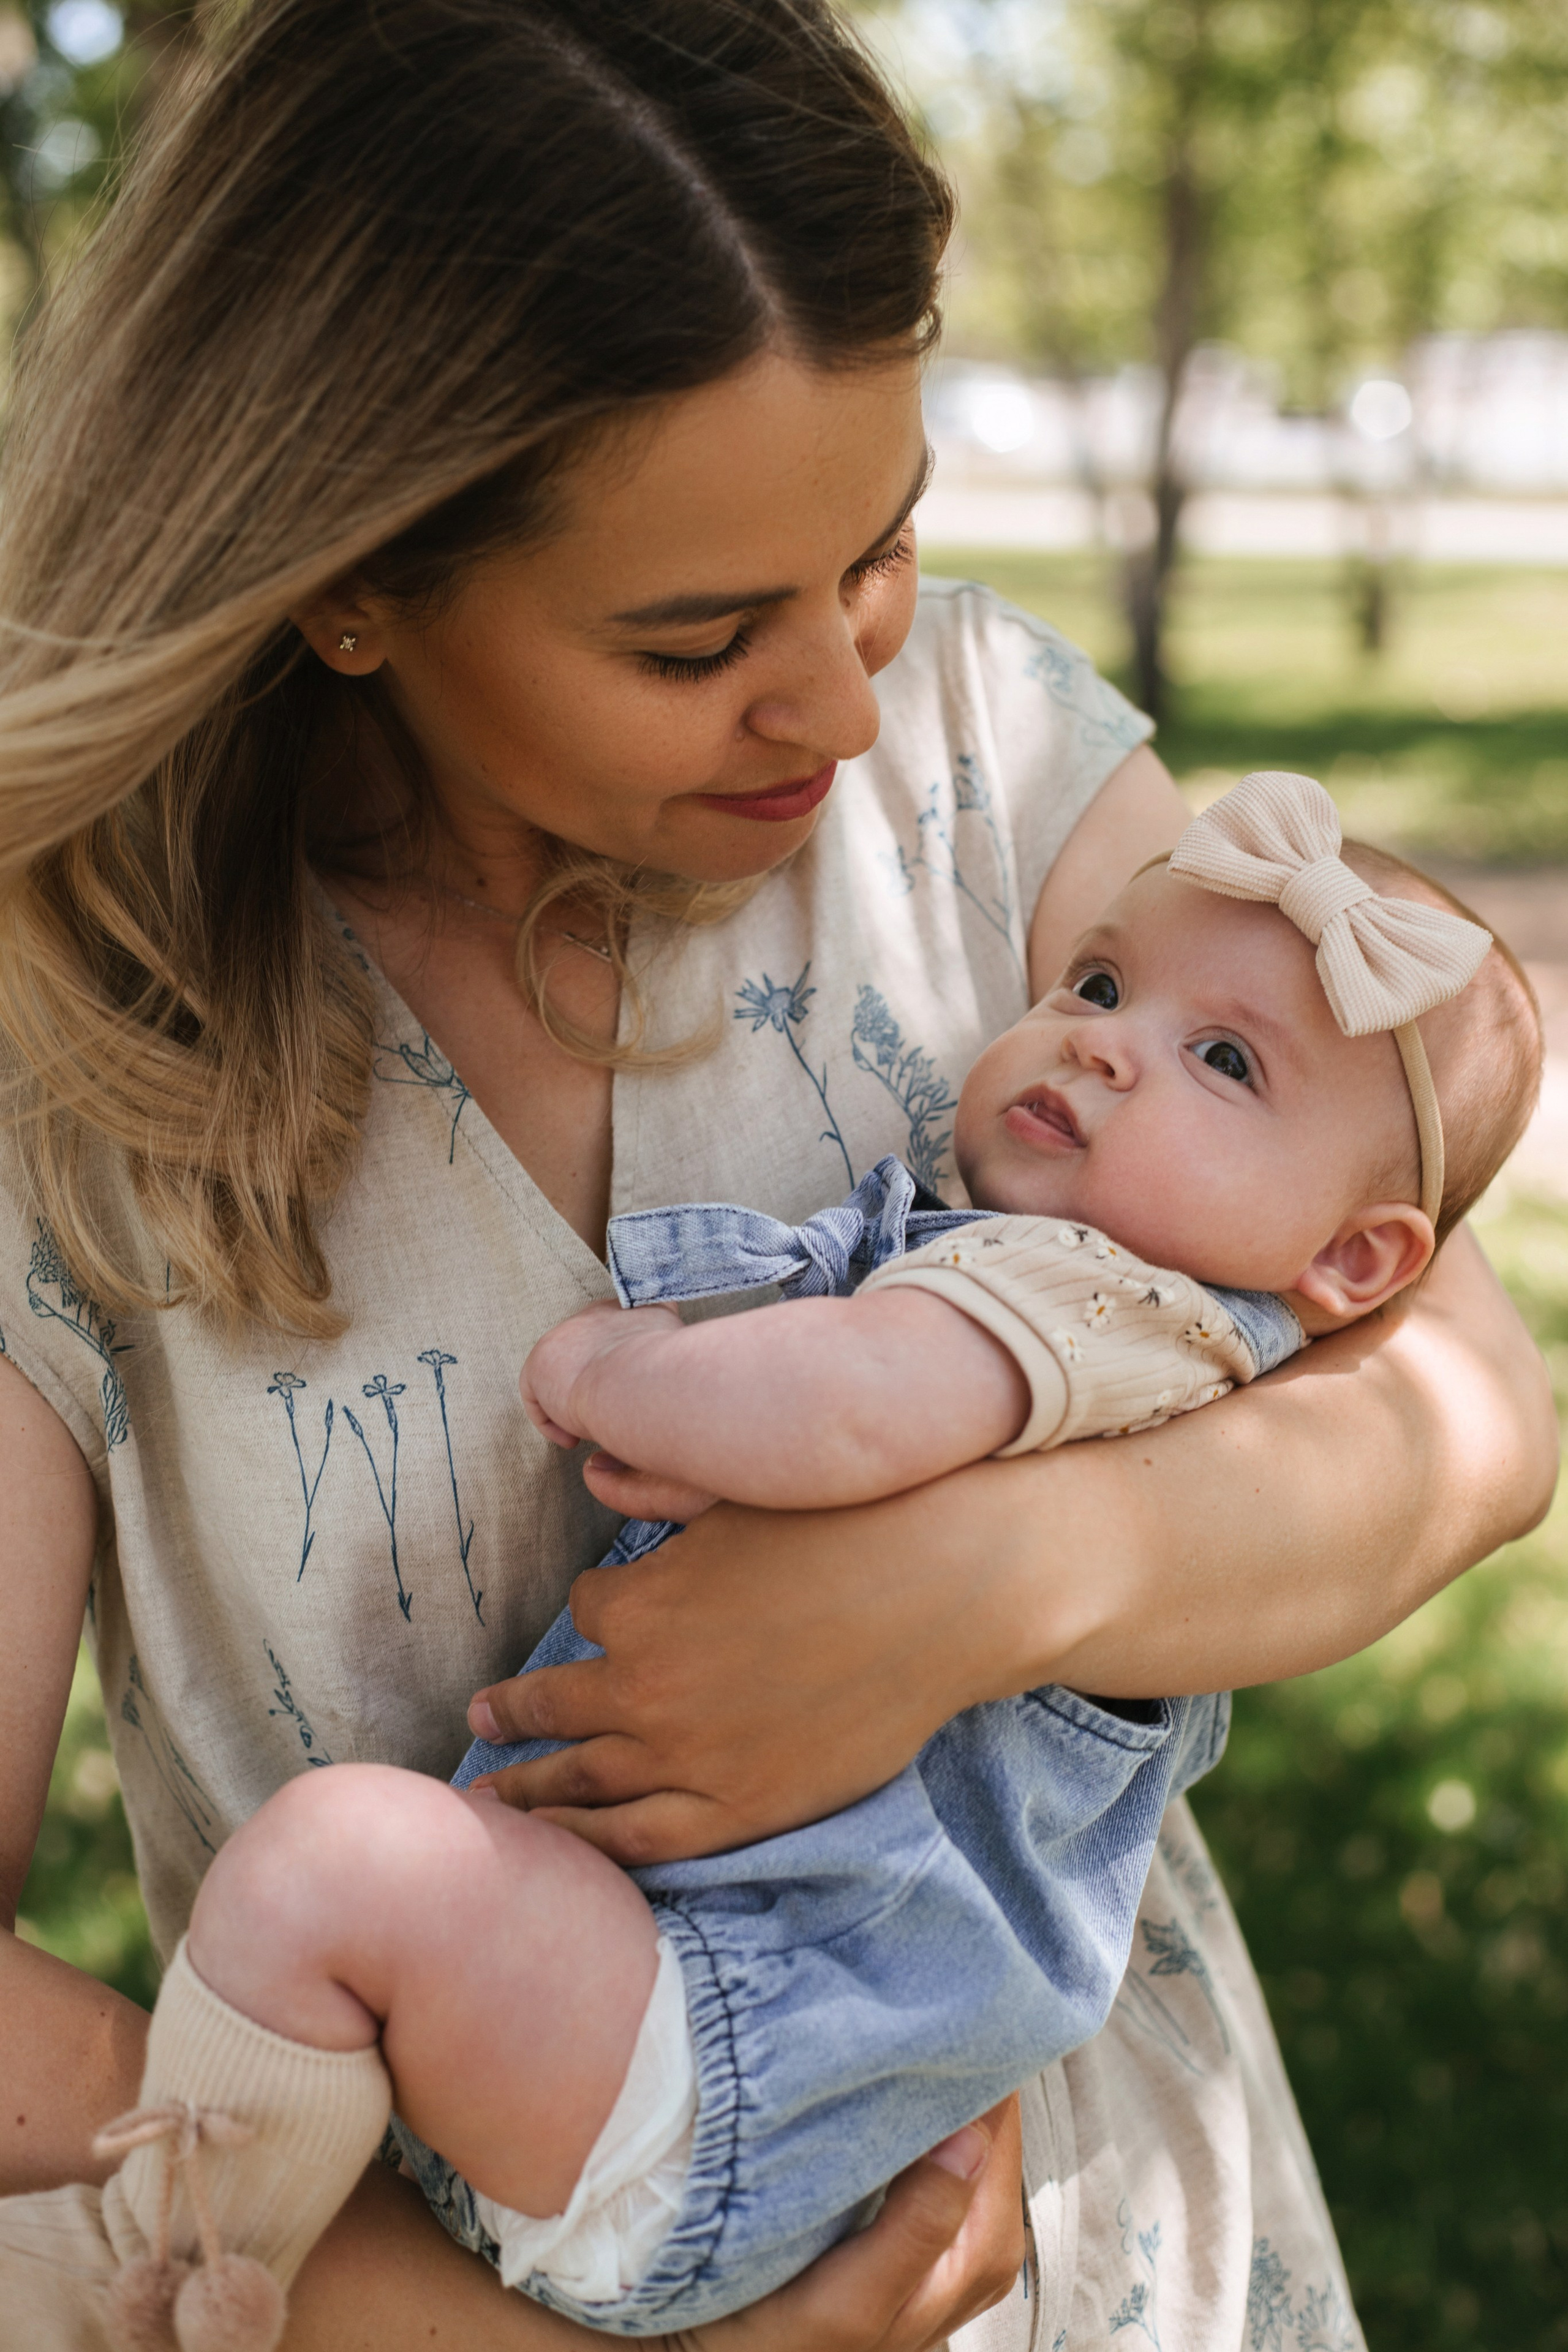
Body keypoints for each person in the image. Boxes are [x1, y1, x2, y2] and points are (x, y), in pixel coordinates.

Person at [0, 4, 1554, 2348]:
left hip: (1097, 2247)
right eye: (696, 638)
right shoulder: (76, 1061)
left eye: (883, 548)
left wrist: (989, 1575)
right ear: (351, 586)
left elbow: (1465, 1407)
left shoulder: (985, 763)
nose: (837, 700)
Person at [111, 775, 1538, 2346]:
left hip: (735, 2047)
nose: (1102, 1040)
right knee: (344, 1899)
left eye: (1220, 1060)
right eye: (1099, 982)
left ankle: (191, 2271)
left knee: (332, 1875)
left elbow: (847, 1414)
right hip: (699, 2053)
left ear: (1351, 1262)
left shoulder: (1103, 1313)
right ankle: (227, 2264)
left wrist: (618, 1376)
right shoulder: (1085, 1309)